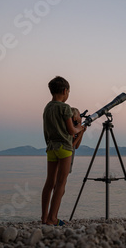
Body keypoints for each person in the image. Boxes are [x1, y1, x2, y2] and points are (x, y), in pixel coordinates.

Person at [41, 76, 86, 225]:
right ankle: (53, 218)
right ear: (65, 91)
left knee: (49, 183)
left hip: (51, 147)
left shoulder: (47, 107)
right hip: (65, 148)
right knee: (61, 183)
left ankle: (44, 217)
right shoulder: (65, 108)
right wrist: (81, 128)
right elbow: (71, 129)